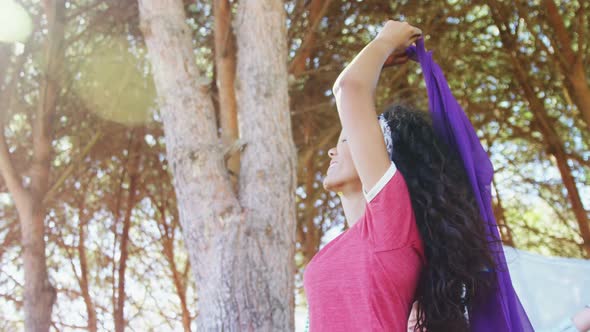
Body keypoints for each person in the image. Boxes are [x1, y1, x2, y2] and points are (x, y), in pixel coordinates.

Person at [302, 21, 498, 331]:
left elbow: (349, 88)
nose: (332, 151)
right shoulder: (354, 241)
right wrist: (376, 56)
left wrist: (385, 39)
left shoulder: (391, 226)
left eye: (346, 141)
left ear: (387, 159)